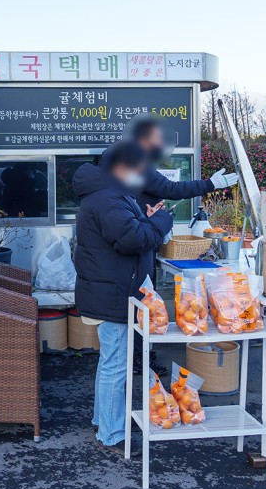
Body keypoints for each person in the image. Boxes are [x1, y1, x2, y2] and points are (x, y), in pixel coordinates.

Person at [110, 115, 238, 375]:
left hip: (136, 237)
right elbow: (172, 188)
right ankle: (139, 359)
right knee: (144, 300)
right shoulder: (138, 164)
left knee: (139, 300)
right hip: (138, 240)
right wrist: (210, 184)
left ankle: (136, 356)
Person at [73, 141, 174, 456]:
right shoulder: (107, 198)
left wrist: (144, 217)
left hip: (110, 289)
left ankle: (103, 421)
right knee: (116, 364)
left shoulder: (110, 195)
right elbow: (131, 239)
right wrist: (160, 221)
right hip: (112, 293)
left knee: (111, 362)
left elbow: (127, 229)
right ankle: (113, 432)